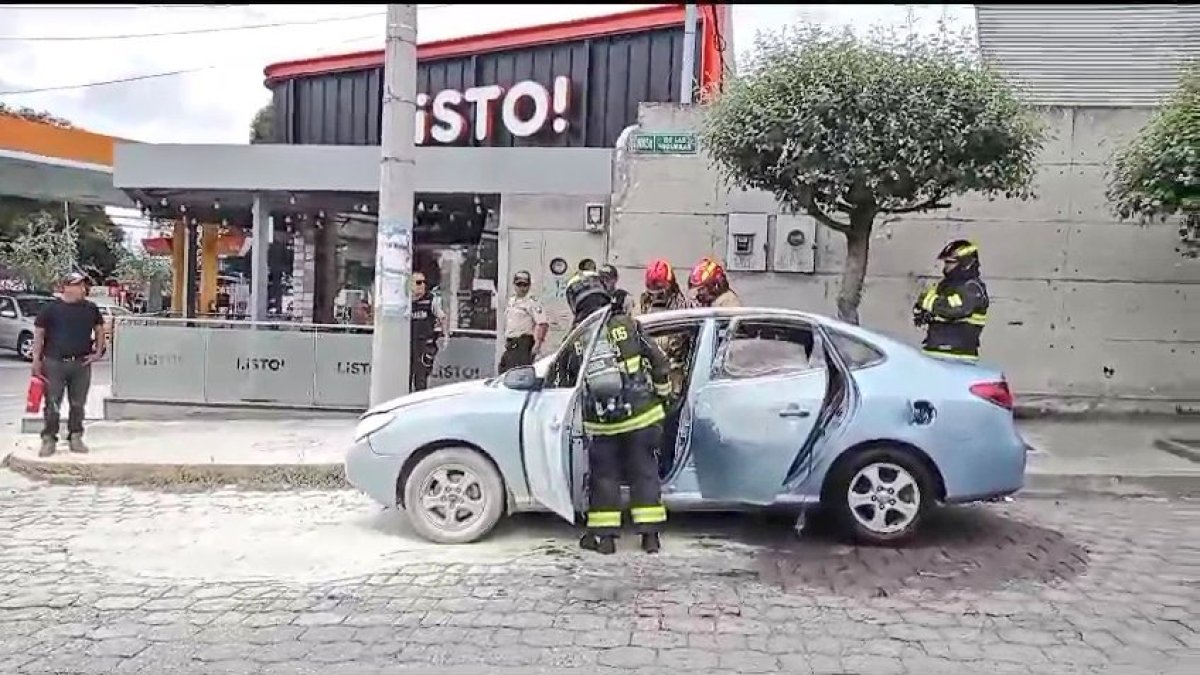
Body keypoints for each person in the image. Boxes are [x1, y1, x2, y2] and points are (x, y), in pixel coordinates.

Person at [562, 271, 672, 555]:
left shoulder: (577, 338)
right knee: (644, 474)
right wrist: (663, 395)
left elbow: (566, 381)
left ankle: (605, 539)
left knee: (604, 478)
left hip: (602, 424)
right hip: (642, 418)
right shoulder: (627, 324)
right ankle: (650, 538)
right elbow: (660, 362)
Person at [33, 272, 106, 457]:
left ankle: (75, 436)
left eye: (83, 285)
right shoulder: (50, 309)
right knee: (52, 403)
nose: (83, 289)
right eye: (78, 285)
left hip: (81, 363)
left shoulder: (91, 308)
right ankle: (49, 438)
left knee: (78, 404)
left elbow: (99, 330)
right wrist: (36, 360)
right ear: (66, 287)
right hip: (54, 363)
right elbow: (39, 334)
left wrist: (98, 352)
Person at [913, 239, 990, 360]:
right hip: (935, 351)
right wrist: (924, 312)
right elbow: (927, 304)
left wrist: (930, 304)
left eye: (950, 262)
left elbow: (953, 309)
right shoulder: (944, 285)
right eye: (946, 262)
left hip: (958, 356)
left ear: (966, 263)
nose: (946, 267)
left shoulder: (972, 288)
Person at [499, 270, 548, 372]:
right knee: (504, 371)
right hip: (511, 343)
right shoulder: (511, 301)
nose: (522, 288)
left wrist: (538, 344)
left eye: (525, 285)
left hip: (523, 343)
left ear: (529, 285)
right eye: (519, 284)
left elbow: (542, 323)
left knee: (518, 372)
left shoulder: (532, 302)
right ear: (514, 285)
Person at [410, 271, 450, 392]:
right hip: (409, 344)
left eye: (424, 282)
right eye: (418, 282)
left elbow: (442, 317)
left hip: (424, 344)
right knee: (405, 377)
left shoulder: (431, 300)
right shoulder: (405, 302)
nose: (422, 285)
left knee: (421, 378)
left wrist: (445, 336)